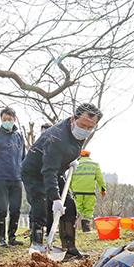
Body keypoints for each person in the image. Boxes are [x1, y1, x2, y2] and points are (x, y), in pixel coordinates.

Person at [21, 103, 103, 258]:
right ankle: (37, 247)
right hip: (34, 172)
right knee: (40, 206)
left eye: (90, 127)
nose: (85, 130)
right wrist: (55, 198)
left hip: (55, 170)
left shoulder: (79, 134)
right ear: (73, 119)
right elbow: (48, 171)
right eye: (82, 125)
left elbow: (65, 154)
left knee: (69, 205)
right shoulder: (56, 137)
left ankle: (70, 249)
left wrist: (70, 160)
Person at [0, 107, 26, 247]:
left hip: (17, 178)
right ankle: (1, 238)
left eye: (10, 119)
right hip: (1, 178)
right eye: (4, 119)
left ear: (14, 119)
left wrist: (24, 174)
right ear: (1, 120)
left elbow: (24, 158)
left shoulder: (19, 137)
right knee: (2, 209)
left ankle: (12, 237)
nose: (7, 121)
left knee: (15, 209)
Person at [70, 150, 106, 232]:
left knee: (76, 209)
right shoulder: (94, 164)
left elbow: (70, 179)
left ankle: (71, 228)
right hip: (89, 192)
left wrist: (71, 190)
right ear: (89, 156)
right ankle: (86, 228)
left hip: (77, 192)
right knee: (88, 210)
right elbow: (100, 178)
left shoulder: (75, 165)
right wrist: (103, 189)